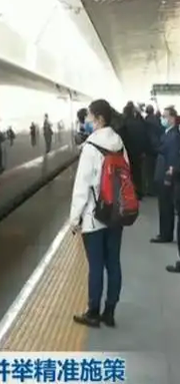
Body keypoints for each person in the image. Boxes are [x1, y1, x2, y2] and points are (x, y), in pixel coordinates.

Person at [69, 99, 128, 328]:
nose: (87, 121)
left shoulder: (91, 146)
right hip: (116, 214)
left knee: (95, 266)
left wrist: (74, 219)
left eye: (90, 117)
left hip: (94, 217)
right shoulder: (119, 143)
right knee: (113, 263)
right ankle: (109, 312)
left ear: (100, 119)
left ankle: (93, 312)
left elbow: (81, 187)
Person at [150, 107, 180, 248]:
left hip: (166, 174)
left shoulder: (173, 136)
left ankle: (165, 234)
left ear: (172, 119)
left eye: (165, 116)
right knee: (164, 205)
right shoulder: (168, 133)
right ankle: (164, 232)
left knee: (166, 205)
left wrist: (169, 176)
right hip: (162, 173)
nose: (163, 119)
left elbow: (172, 156)